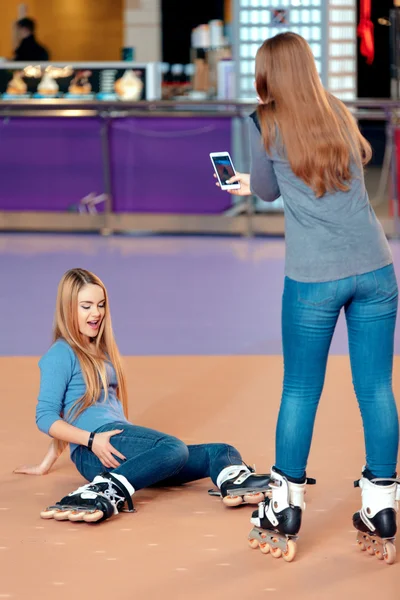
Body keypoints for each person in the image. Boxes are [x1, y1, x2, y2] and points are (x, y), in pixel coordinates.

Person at [216, 32, 399, 564]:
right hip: (377, 270)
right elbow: (311, 179)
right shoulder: (337, 111)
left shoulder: (265, 121)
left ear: (268, 73)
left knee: (300, 389)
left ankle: (285, 503)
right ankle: (382, 503)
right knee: (376, 389)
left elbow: (271, 192)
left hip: (315, 278)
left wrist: (246, 183)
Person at [14, 268, 271, 524]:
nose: (96, 313)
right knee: (173, 449)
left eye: (101, 305)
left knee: (220, 452)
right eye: (86, 306)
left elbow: (69, 411)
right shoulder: (60, 354)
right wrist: (91, 441)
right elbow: (46, 416)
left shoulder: (102, 351)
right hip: (97, 449)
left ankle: (235, 482)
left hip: (116, 444)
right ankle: (105, 490)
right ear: (68, 308)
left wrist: (47, 463)